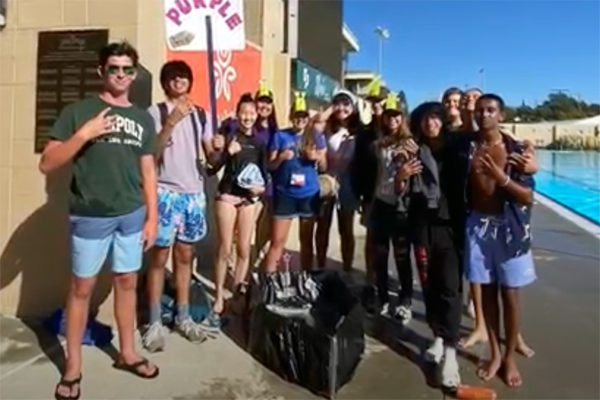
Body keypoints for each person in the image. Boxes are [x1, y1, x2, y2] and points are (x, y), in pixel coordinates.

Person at [39, 42, 159, 400]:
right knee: (81, 289)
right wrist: (84, 135)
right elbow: (47, 163)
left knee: (126, 282)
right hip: (90, 215)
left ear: (134, 75)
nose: (120, 75)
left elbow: (148, 169)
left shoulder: (142, 117)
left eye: (127, 70)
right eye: (114, 69)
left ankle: (127, 352)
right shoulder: (80, 112)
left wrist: (153, 216)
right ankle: (73, 367)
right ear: (101, 72)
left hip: (132, 214)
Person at [143, 60, 215, 351]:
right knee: (159, 259)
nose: (179, 80)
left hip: (193, 194)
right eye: (173, 77)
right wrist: (171, 121)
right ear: (165, 82)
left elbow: (211, 159)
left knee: (185, 258)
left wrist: (220, 150)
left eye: (184, 76)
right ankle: (154, 321)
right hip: (163, 193)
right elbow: (151, 154)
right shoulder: (154, 112)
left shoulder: (201, 115)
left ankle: (183, 317)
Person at [464, 94, 536, 387]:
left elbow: (528, 196)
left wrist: (501, 177)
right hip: (478, 227)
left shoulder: (516, 150)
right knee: (489, 295)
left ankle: (509, 357)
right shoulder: (467, 147)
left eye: (490, 110)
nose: (484, 115)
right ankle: (495, 353)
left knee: (511, 296)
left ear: (501, 115)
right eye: (480, 111)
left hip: (509, 229)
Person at [408, 102, 464, 388]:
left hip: (450, 228)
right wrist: (403, 175)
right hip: (421, 226)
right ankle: (438, 337)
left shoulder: (457, 148)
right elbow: (398, 190)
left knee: (450, 288)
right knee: (428, 285)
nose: (431, 123)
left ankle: (452, 353)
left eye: (435, 118)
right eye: (425, 119)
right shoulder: (412, 151)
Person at [210, 93, 268, 322]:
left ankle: (236, 295)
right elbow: (212, 168)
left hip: (249, 200)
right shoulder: (228, 136)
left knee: (244, 249)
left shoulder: (260, 142)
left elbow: (264, 176)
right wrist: (226, 152)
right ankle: (218, 296)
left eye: (251, 113)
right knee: (225, 247)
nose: (247, 117)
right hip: (227, 195)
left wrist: (260, 189)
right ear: (237, 114)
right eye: (243, 112)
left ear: (256, 115)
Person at [263, 92, 327, 272]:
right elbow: (271, 166)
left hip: (308, 195)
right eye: (297, 116)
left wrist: (315, 157)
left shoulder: (315, 135)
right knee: (277, 242)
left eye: (303, 116)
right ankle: (270, 285)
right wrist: (282, 157)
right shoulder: (280, 136)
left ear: (308, 118)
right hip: (285, 194)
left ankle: (305, 281)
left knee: (306, 242)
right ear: (291, 117)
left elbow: (324, 165)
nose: (300, 120)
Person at [369, 93, 416, 324]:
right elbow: (377, 173)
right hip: (381, 202)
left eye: (396, 115)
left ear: (402, 117)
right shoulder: (380, 143)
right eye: (389, 116)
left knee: (401, 255)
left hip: (401, 206)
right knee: (380, 254)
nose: (393, 120)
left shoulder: (410, 141)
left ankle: (405, 300)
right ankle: (383, 297)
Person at [316, 89, 361, 271]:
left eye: (346, 104)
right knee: (323, 225)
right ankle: (319, 266)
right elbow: (317, 123)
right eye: (338, 103)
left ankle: (347, 268)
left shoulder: (359, 129)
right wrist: (331, 109)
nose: (342, 108)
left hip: (348, 182)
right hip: (327, 179)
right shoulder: (328, 127)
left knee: (346, 228)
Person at [351, 77, 386, 311]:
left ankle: (395, 293)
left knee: (395, 248)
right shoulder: (364, 133)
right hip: (372, 197)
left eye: (380, 102)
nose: (376, 106)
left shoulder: (403, 133)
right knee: (373, 243)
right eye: (372, 102)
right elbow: (359, 166)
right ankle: (372, 285)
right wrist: (361, 196)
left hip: (398, 199)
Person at [251, 83, 279, 266]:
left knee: (263, 235)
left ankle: (256, 274)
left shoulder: (276, 132)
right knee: (241, 237)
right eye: (261, 101)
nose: (264, 106)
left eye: (268, 102)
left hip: (268, 191)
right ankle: (240, 278)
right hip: (247, 190)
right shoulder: (246, 128)